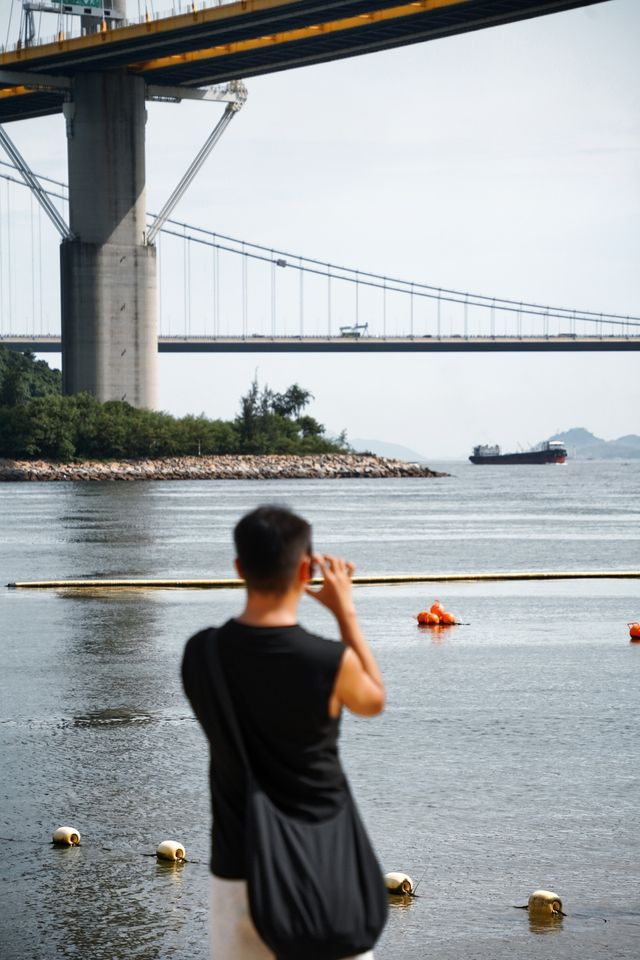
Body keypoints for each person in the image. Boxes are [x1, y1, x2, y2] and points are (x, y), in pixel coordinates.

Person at [181, 505, 386, 960]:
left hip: (239, 875)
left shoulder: (201, 654)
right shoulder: (329, 662)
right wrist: (345, 612)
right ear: (307, 570)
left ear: (239, 568)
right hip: (327, 868)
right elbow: (374, 699)